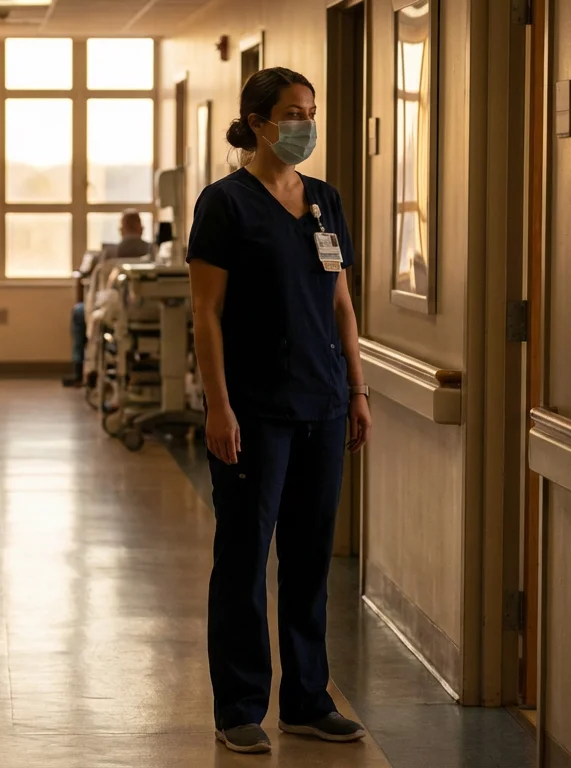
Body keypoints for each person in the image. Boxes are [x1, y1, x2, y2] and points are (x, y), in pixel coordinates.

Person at [186, 67, 373, 755]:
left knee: (308, 558)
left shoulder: (324, 201)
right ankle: (238, 706)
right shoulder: (225, 205)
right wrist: (219, 407)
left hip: (322, 404)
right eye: (293, 112)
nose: (305, 125)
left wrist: (356, 390)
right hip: (254, 410)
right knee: (242, 558)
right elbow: (205, 314)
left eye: (311, 112)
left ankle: (306, 699)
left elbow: (342, 303)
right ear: (259, 122)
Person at [63, 210, 152, 387]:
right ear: (141, 228)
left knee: (79, 313)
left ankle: (80, 369)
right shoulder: (152, 252)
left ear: (122, 229)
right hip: (149, 312)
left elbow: (95, 287)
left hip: (114, 312)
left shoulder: (109, 254)